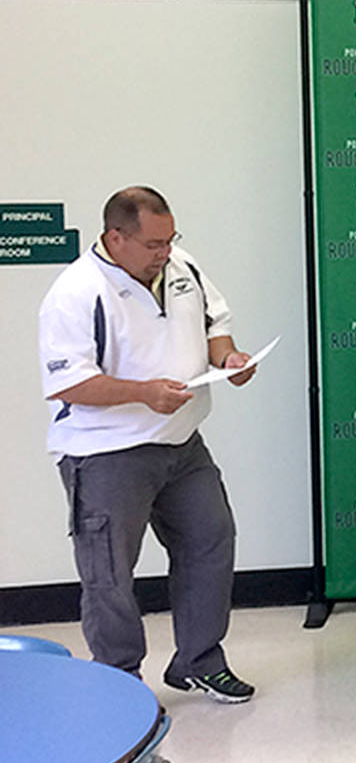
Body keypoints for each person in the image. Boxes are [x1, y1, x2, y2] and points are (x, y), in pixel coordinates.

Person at [38, 186, 256, 703]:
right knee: (109, 574)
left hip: (183, 444)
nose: (166, 251)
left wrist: (227, 360)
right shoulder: (75, 292)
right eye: (154, 243)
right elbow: (67, 382)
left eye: (170, 238)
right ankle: (119, 683)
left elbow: (214, 326)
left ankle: (198, 661)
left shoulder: (182, 267)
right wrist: (144, 393)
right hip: (106, 453)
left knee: (211, 540)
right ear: (116, 237)